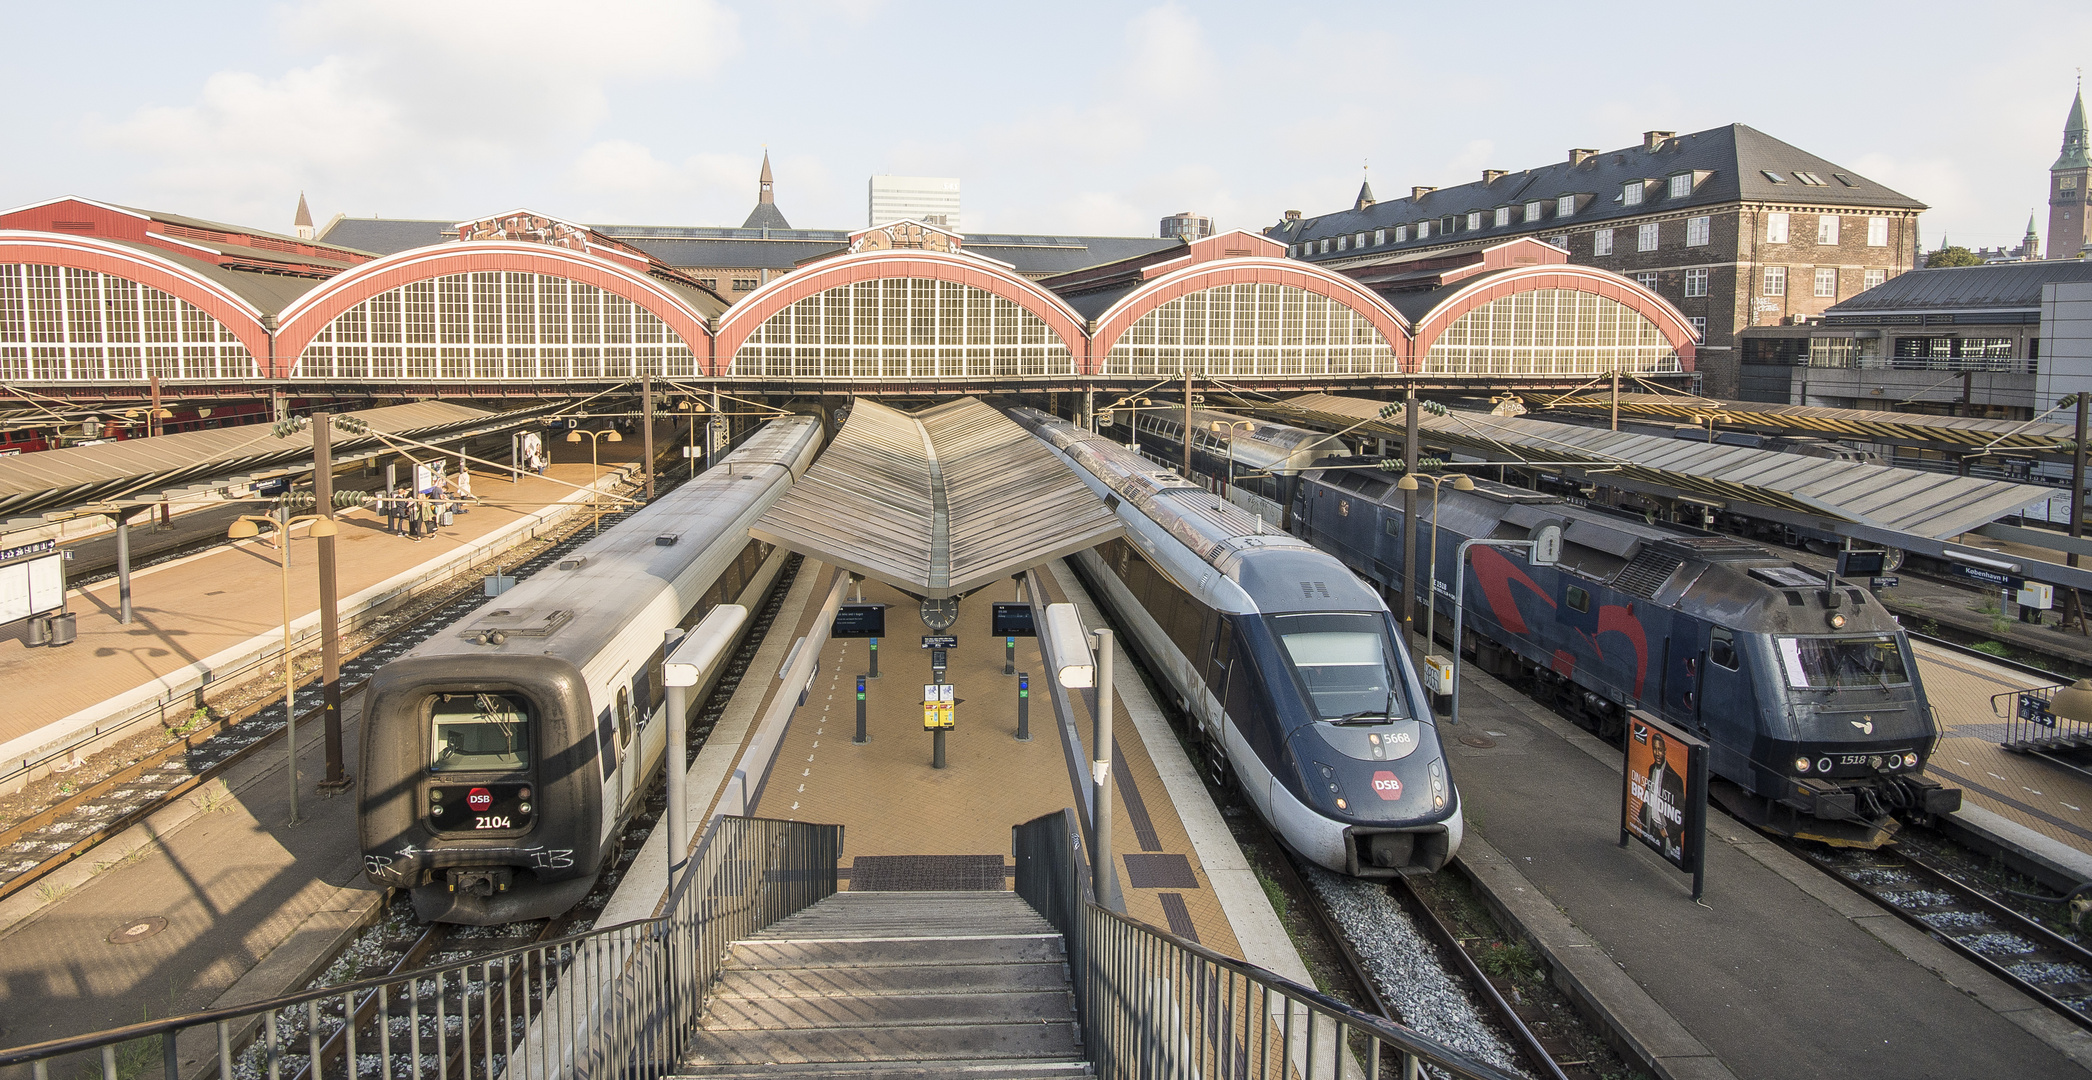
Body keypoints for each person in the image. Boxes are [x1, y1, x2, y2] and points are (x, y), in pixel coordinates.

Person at [1638, 732, 1687, 860]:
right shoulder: (1651, 769)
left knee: (1666, 858)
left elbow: (1682, 814)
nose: (1657, 753)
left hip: (1665, 834)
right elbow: (1647, 796)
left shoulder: (1675, 779)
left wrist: (1667, 831)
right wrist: (1641, 818)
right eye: (1654, 749)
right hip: (1650, 826)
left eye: (1660, 749)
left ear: (1665, 750)